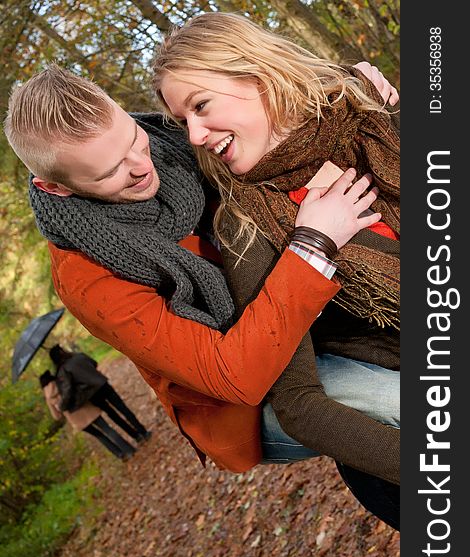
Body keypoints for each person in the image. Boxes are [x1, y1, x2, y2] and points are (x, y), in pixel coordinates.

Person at [3, 65, 399, 528]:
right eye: (111, 172)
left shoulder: (175, 140)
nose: (140, 165)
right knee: (390, 400)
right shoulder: (88, 280)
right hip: (244, 403)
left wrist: (347, 82)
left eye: (133, 137)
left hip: (310, 329)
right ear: (56, 187)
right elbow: (236, 377)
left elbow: (263, 113)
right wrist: (311, 245)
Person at [153, 11, 400, 455]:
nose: (193, 134)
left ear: (258, 75)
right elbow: (300, 406)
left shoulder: (371, 115)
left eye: (201, 105)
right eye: (181, 120)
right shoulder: (245, 223)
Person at [49, 344, 152, 444]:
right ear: (62, 351)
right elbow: (94, 363)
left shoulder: (63, 371)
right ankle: (143, 431)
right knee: (123, 408)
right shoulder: (79, 356)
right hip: (102, 384)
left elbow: (68, 389)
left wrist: (63, 406)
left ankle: (136, 436)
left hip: (92, 395)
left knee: (113, 415)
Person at [39, 369, 136, 461]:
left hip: (76, 420)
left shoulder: (48, 398)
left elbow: (57, 416)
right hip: (87, 409)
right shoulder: (62, 382)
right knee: (107, 429)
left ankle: (120, 454)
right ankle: (129, 450)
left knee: (99, 436)